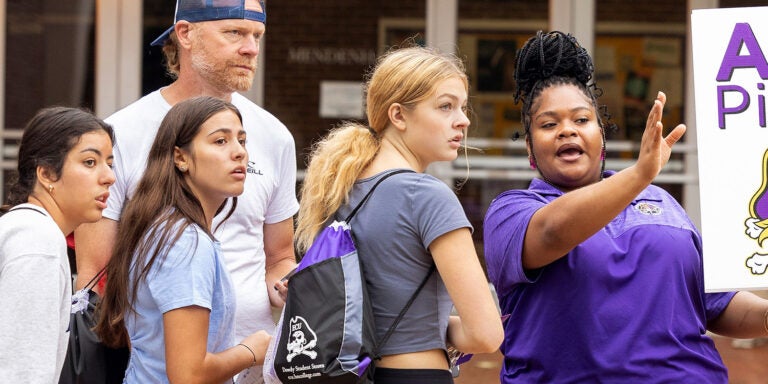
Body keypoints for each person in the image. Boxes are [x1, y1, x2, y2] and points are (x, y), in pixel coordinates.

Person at [483, 30, 768, 383]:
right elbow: (554, 231)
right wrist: (639, 174)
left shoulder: (661, 200)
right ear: (529, 148)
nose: (567, 130)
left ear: (601, 136)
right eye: (548, 124)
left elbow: (715, 303)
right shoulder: (511, 212)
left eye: (582, 120)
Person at [74, 1, 298, 379]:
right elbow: (96, 274)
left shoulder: (274, 135)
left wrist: (286, 286)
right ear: (185, 34)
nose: (251, 49)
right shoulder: (122, 133)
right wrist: (157, 353)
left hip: (253, 365)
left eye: (256, 36)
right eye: (234, 33)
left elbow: (279, 257)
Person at [294, 46, 504, 384]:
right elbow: (485, 334)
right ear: (399, 115)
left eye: (462, 107)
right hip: (415, 373)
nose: (463, 119)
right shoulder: (429, 197)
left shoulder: (337, 189)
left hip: (345, 373)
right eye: (445, 106)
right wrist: (440, 332)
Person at [96, 96, 271, 382]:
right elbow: (188, 374)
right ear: (181, 158)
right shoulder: (184, 241)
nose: (239, 152)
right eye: (220, 141)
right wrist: (251, 350)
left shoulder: (169, 228)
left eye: (242, 140)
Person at [0, 107, 115, 382]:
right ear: (47, 174)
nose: (109, 176)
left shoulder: (29, 230)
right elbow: (23, 372)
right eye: (90, 162)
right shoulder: (37, 240)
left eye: (110, 163)